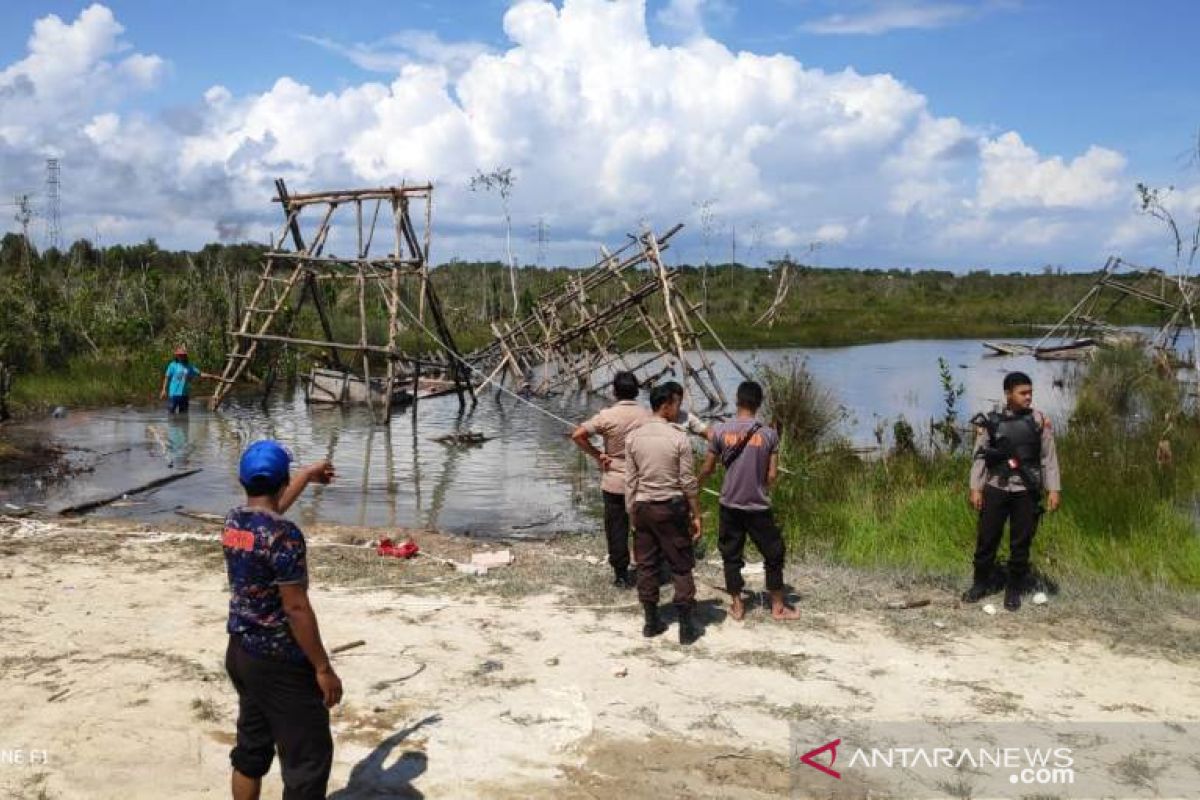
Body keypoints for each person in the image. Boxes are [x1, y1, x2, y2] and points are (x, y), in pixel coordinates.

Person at [222, 440, 341, 800]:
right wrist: (322, 667)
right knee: (308, 761)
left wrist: (305, 475)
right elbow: (296, 609)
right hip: (279, 663)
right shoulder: (284, 537)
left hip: (241, 653)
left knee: (251, 753)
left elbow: (272, 510)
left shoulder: (234, 522)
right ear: (281, 480)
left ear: (243, 481)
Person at [698, 380, 799, 622]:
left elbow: (708, 469)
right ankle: (777, 606)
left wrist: (695, 484)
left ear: (737, 400)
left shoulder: (720, 431)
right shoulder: (768, 434)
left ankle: (737, 605)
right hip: (757, 505)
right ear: (759, 403)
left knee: (731, 555)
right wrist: (762, 485)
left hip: (729, 504)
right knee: (774, 553)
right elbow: (772, 475)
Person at [964, 371, 1062, 611]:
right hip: (996, 487)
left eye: (1030, 393)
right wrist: (976, 487)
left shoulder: (1040, 421)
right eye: (1023, 393)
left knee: (1021, 543)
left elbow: (1049, 458)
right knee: (987, 538)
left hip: (1026, 491)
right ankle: (980, 584)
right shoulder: (991, 422)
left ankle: (1013, 589)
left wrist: (1053, 489)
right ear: (1008, 394)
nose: (1028, 397)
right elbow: (980, 457)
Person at [625, 384, 703, 644]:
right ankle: (685, 625)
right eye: (677, 403)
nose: (679, 408)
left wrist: (631, 513)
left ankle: (651, 620)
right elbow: (688, 481)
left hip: (643, 507)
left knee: (646, 565)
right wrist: (696, 514)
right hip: (671, 507)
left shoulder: (634, 437)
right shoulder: (678, 437)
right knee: (680, 564)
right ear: (666, 405)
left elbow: (630, 481)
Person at [571, 371, 653, 588]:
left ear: (615, 391)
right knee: (643, 526)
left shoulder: (607, 415)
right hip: (642, 479)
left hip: (614, 480)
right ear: (636, 391)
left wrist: (598, 455)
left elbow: (578, 435)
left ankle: (621, 573)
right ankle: (646, 566)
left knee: (616, 527)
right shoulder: (647, 416)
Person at [159, 346, 209, 414]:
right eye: (179, 355)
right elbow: (167, 377)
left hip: (184, 395)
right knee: (171, 414)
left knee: (184, 416)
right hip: (174, 394)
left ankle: (182, 425)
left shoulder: (189, 366)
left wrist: (213, 376)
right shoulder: (173, 365)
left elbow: (200, 374)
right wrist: (164, 389)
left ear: (185, 356)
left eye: (182, 355)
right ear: (176, 356)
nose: (181, 357)